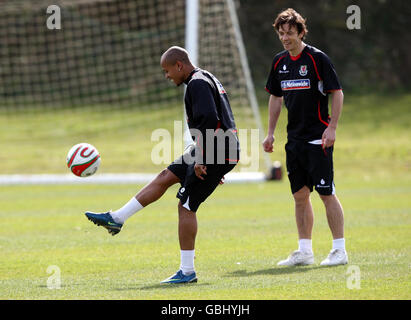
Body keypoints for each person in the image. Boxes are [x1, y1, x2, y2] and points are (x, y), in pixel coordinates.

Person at [85, 46, 240, 283]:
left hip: (216, 149)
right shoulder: (204, 78)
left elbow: (210, 119)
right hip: (217, 148)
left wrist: (203, 158)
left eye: (166, 71)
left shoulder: (197, 83)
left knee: (186, 206)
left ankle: (187, 272)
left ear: (179, 65)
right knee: (166, 175)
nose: (166, 76)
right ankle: (117, 218)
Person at [263, 8, 348, 266]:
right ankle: (304, 251)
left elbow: (337, 92)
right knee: (300, 195)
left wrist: (332, 127)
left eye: (290, 33)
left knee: (326, 193)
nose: (285, 38)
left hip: (317, 138)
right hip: (294, 140)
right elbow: (276, 97)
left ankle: (339, 250)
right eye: (281, 33)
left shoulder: (317, 59)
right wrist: (269, 134)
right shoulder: (280, 62)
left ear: (301, 32)